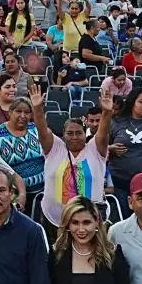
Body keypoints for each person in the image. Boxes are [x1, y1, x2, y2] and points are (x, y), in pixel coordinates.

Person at [34, 87, 112, 225]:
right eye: (70, 133)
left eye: (78, 133)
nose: (74, 137)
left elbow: (103, 133)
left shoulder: (95, 149)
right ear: (63, 135)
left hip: (90, 222)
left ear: (85, 133)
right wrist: (37, 109)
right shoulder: (55, 148)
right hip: (54, 221)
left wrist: (107, 111)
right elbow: (42, 131)